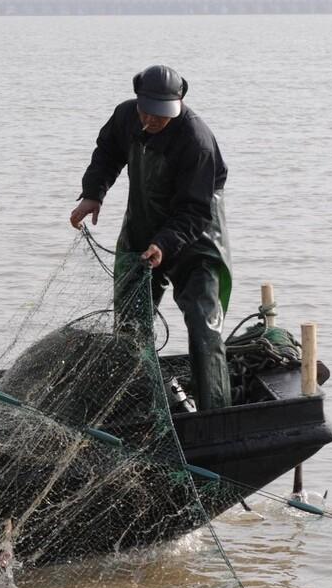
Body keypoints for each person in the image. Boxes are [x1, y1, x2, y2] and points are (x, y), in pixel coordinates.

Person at [69, 64, 232, 410]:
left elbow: (194, 211)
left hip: (194, 236)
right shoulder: (127, 116)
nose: (150, 121)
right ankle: (137, 405)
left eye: (160, 116)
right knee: (129, 322)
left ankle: (215, 409)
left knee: (204, 326)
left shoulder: (196, 142)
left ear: (178, 104)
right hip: (142, 226)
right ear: (137, 101)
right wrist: (93, 194)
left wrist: (165, 244)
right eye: (146, 112)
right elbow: (107, 153)